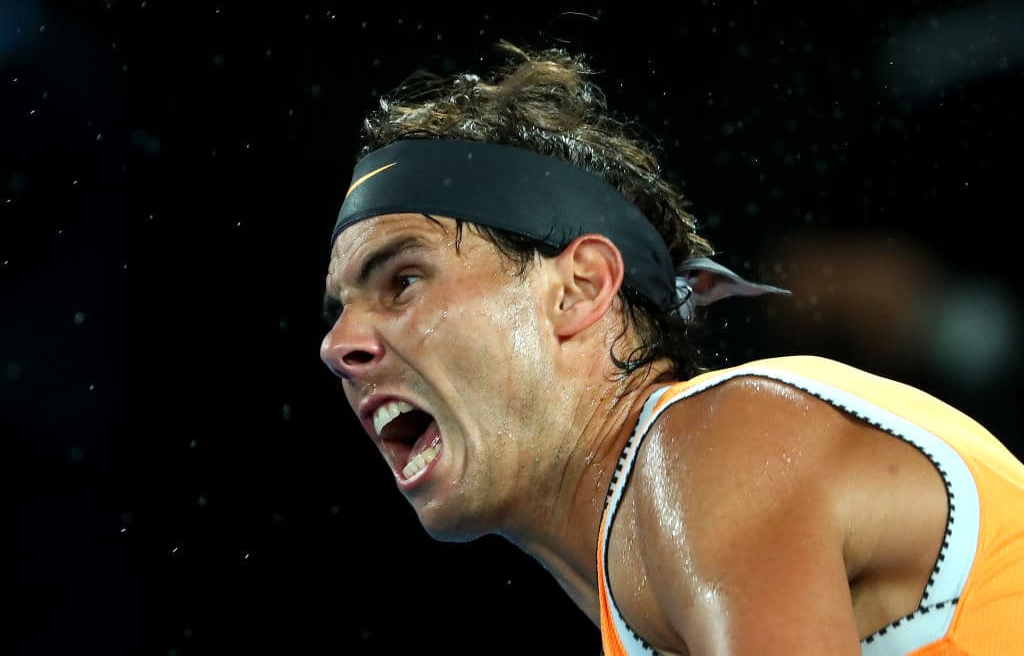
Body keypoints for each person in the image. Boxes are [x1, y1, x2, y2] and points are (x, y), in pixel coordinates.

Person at [318, 41, 1024, 655]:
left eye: (403, 280)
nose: (336, 345)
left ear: (579, 288)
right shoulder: (662, 545)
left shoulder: (710, 445)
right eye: (338, 309)